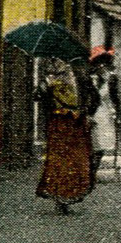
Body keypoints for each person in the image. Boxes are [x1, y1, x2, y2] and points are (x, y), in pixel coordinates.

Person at [35, 58, 94, 214]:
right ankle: (59, 198)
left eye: (60, 61)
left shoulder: (80, 76)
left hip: (77, 123)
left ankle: (71, 194)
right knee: (58, 160)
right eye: (54, 61)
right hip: (59, 124)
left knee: (77, 160)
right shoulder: (49, 79)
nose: (57, 64)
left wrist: (87, 112)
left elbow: (92, 96)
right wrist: (45, 86)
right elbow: (39, 98)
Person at [87, 47, 120, 187]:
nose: (102, 66)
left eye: (104, 63)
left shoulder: (111, 78)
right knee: (90, 143)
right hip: (90, 112)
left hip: (104, 113)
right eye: (99, 63)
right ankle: (88, 173)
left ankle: (92, 173)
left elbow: (114, 96)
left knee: (101, 144)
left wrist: (117, 112)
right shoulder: (88, 78)